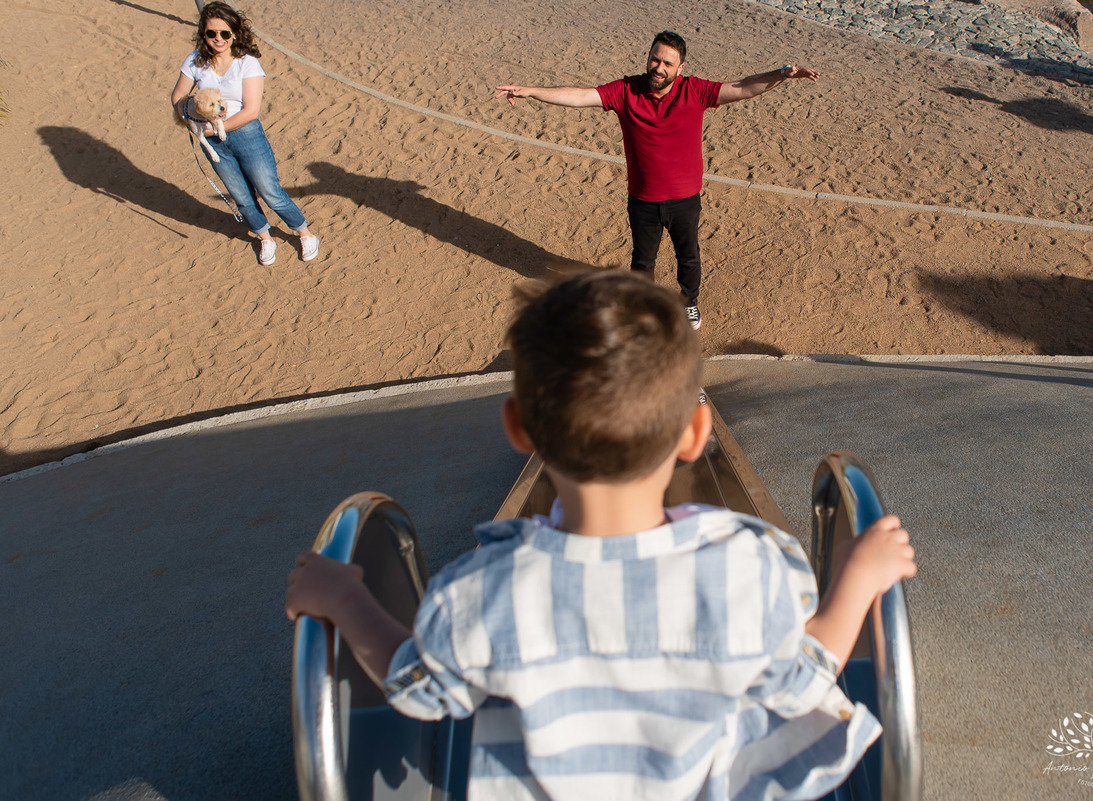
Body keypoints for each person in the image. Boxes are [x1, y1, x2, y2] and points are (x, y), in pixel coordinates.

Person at [286, 271, 917, 801]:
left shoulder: (480, 592)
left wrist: (345, 599)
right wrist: (860, 576)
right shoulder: (749, 568)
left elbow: (417, 688)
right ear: (697, 436)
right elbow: (805, 677)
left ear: (519, 429)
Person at [494, 31, 819, 330]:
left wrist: (781, 74)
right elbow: (580, 96)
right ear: (648, 57)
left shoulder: (696, 90)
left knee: (688, 257)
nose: (659, 67)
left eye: (667, 63)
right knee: (642, 261)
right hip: (643, 200)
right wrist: (531, 91)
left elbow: (742, 88)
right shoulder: (625, 91)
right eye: (655, 59)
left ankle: (689, 302)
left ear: (680, 67)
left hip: (684, 200)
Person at [170, 2, 319, 265]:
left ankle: (304, 232)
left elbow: (251, 111)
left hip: (246, 134)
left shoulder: (247, 63)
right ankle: (265, 238)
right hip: (212, 142)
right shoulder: (195, 61)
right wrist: (190, 109)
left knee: (269, 190)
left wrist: (215, 127)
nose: (218, 39)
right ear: (203, 34)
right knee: (241, 195)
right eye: (211, 33)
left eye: (224, 33)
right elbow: (177, 97)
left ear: (235, 34)